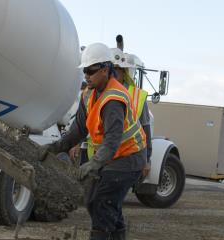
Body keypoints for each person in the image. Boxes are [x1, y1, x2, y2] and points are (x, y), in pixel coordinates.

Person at [40, 43, 147, 240]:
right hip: (113, 157)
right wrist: (55, 148)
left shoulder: (113, 100)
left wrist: (92, 165)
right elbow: (78, 130)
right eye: (84, 71)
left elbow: (112, 142)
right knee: (98, 201)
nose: (86, 76)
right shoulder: (88, 94)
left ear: (106, 70)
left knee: (102, 201)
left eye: (91, 70)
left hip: (129, 158)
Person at [110, 48, 152, 177]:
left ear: (124, 72)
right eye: (110, 70)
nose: (113, 74)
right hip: (100, 157)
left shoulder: (136, 96)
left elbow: (145, 130)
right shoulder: (99, 93)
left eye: (116, 70)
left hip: (125, 159)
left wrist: (146, 160)